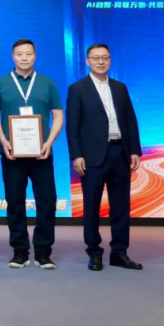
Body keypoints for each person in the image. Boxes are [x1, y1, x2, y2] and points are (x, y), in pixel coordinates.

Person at [66, 43, 143, 271]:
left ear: (110, 60)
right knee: (91, 206)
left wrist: (134, 150)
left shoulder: (120, 87)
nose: (101, 62)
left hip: (120, 153)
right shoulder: (77, 89)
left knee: (121, 206)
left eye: (105, 58)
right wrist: (76, 155)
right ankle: (94, 253)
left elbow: (130, 120)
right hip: (92, 157)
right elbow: (73, 125)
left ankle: (119, 252)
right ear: (87, 61)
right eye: (96, 58)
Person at [0, 39, 64, 270]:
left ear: (35, 56)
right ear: (12, 57)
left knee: (47, 202)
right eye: (19, 54)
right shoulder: (1, 83)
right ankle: (20, 251)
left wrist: (49, 142)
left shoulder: (47, 83)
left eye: (28, 54)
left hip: (41, 153)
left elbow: (58, 116)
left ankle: (43, 251)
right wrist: (3, 141)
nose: (24, 58)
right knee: (15, 203)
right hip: (12, 155)